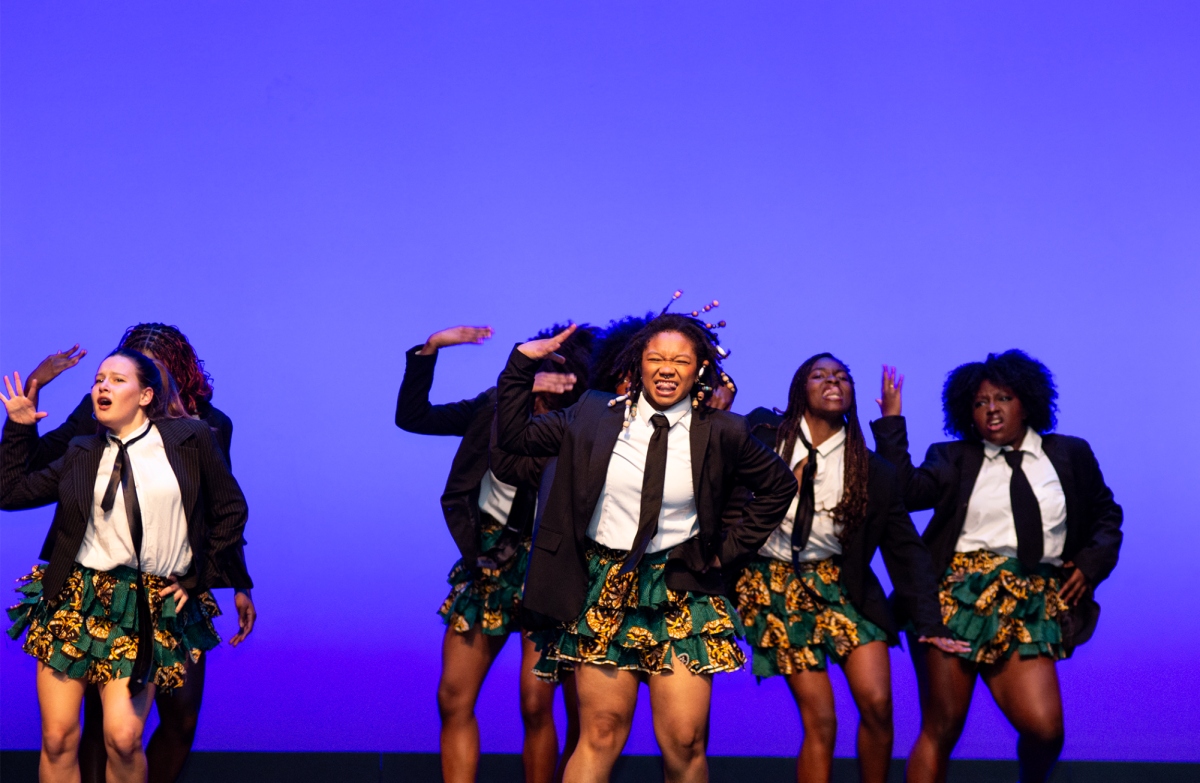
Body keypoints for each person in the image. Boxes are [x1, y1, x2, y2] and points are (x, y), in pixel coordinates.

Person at [495, 316, 797, 783]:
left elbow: (779, 486)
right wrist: (519, 365)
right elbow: (514, 440)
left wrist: (725, 552)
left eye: (681, 360)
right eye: (656, 358)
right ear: (637, 364)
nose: (667, 368)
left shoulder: (723, 431)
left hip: (680, 587)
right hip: (605, 588)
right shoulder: (593, 413)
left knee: (683, 740)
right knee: (599, 731)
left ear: (700, 370)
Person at [870, 351, 1122, 783]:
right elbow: (905, 493)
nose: (991, 409)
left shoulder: (1068, 454)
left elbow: (1106, 515)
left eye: (1003, 398)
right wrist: (892, 423)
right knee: (942, 727)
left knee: (1045, 730)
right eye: (981, 401)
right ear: (967, 411)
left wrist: (1090, 562)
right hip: (955, 598)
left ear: (1027, 402)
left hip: (1029, 601)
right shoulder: (954, 456)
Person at [0, 350, 250, 783]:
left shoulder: (190, 440)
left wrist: (197, 577)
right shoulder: (82, 451)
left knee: (123, 735)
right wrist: (20, 428)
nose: (102, 386)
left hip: (142, 606)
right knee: (58, 738)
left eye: (117, 380)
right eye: (99, 379)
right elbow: (11, 493)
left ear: (145, 394)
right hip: (75, 599)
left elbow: (230, 511)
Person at [733, 354, 966, 783]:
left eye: (842, 376)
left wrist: (931, 623)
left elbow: (906, 552)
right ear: (799, 387)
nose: (833, 381)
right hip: (775, 586)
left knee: (878, 707)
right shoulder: (762, 431)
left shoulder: (873, 470)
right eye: (819, 375)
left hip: (843, 586)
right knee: (822, 721)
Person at [395, 323, 595, 783]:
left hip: (550, 563)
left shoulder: (583, 424)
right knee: (453, 696)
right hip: (489, 561)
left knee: (535, 703)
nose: (546, 381)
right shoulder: (493, 408)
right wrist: (432, 348)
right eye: (534, 370)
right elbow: (414, 417)